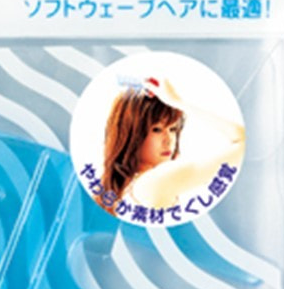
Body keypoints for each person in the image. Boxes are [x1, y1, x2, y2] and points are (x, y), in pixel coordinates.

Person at [98, 76, 245, 213]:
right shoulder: (153, 182)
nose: (169, 140)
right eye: (157, 130)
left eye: (173, 129)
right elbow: (243, 141)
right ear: (131, 134)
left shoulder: (123, 188)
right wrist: (178, 101)